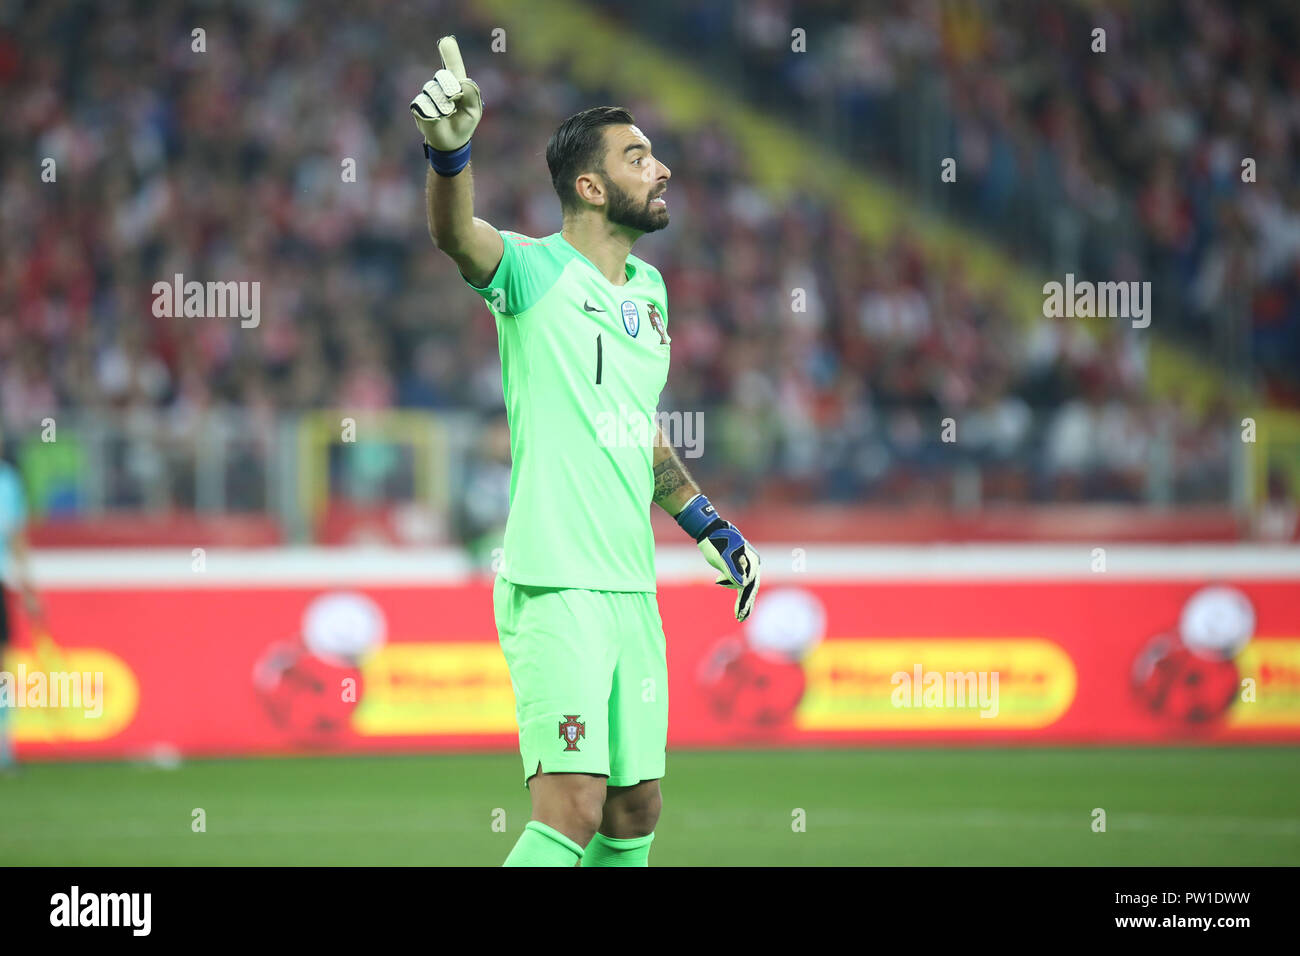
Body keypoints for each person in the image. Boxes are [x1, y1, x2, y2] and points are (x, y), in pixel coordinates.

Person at [410, 36, 762, 867]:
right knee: (570, 806)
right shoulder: (532, 272)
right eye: (641, 157)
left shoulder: (650, 293)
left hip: (629, 585)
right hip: (555, 578)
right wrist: (449, 155)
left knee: (634, 810)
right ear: (593, 186)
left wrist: (708, 522)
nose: (663, 168)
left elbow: (634, 427)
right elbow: (456, 236)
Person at [0, 428, 42, 772]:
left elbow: (16, 540)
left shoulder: (8, 483)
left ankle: (3, 743)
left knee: (2, 669)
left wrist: (28, 590)